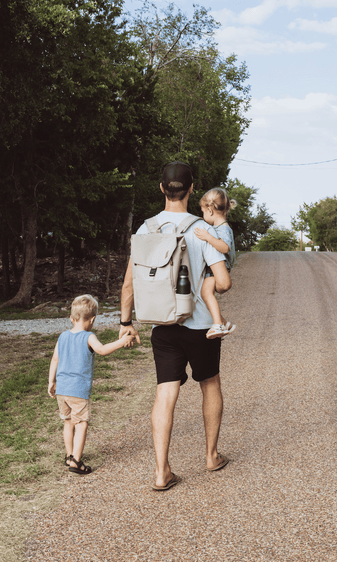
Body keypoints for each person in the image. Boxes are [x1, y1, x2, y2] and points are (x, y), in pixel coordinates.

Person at [119, 162, 232, 491]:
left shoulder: (146, 229)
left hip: (162, 325)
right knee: (209, 383)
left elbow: (129, 285)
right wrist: (209, 282)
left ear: (161, 188)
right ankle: (211, 456)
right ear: (192, 189)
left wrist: (126, 323)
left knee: (165, 392)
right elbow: (222, 282)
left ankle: (161, 471)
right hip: (199, 326)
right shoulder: (202, 229)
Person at [48, 294, 134, 475]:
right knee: (81, 424)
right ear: (92, 319)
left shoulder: (62, 336)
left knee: (68, 422)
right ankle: (76, 461)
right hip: (78, 390)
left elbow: (55, 358)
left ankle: (69, 455)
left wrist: (51, 381)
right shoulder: (88, 336)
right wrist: (121, 342)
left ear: (71, 318)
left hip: (62, 389)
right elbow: (102, 350)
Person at [194, 187, 237, 339]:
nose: (203, 215)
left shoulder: (223, 228)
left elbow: (224, 247)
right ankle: (224, 323)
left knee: (205, 293)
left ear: (210, 210)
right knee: (204, 295)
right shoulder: (219, 227)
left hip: (218, 269)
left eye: (203, 212)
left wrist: (207, 237)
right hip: (215, 269)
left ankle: (218, 324)